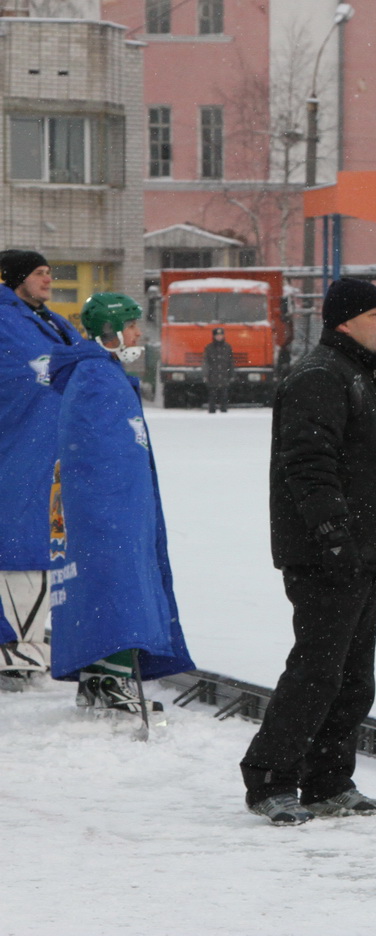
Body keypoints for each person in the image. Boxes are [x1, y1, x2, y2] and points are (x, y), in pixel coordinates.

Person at [240, 278, 376, 826]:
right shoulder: (321, 376)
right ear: (345, 320)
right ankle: (269, 779)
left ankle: (328, 782)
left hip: (360, 551)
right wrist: (333, 536)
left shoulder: (359, 374)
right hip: (324, 554)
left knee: (354, 679)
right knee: (317, 672)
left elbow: (373, 477)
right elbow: (309, 464)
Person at [45, 293, 194, 714]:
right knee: (116, 585)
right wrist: (112, 510)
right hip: (109, 509)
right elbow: (93, 452)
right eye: (130, 326)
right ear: (108, 332)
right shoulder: (95, 375)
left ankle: (100, 677)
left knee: (114, 585)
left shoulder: (102, 372)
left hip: (120, 504)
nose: (138, 334)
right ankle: (112, 677)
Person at [0, 249, 78, 691]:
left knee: (45, 538)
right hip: (18, 447)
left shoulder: (51, 321)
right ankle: (14, 645)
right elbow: (21, 374)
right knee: (19, 536)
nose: (48, 280)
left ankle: (25, 644)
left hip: (51, 451)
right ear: (15, 278)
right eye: (39, 273)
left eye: (50, 272)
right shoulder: (6, 320)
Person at [203, 327, 235, 413]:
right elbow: (206, 362)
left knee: (224, 396)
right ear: (214, 336)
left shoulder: (227, 347)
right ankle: (211, 411)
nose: (219, 337)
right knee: (212, 395)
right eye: (217, 335)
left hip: (224, 375)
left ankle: (224, 411)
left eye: (221, 335)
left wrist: (232, 374)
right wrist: (206, 374)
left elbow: (231, 362)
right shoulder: (209, 347)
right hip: (213, 375)